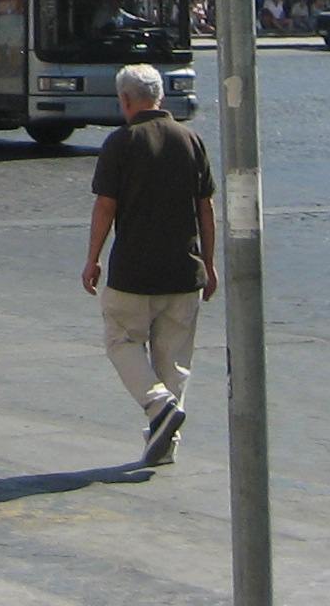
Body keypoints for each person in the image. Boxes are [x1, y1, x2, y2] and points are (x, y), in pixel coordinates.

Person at [80, 64, 216, 468]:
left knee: (121, 341)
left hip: (133, 271)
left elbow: (106, 206)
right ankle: (165, 444)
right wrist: (209, 264)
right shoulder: (191, 140)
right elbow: (206, 209)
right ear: (160, 97)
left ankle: (158, 406)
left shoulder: (121, 142)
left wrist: (93, 258)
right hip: (184, 271)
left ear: (125, 100)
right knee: (174, 361)